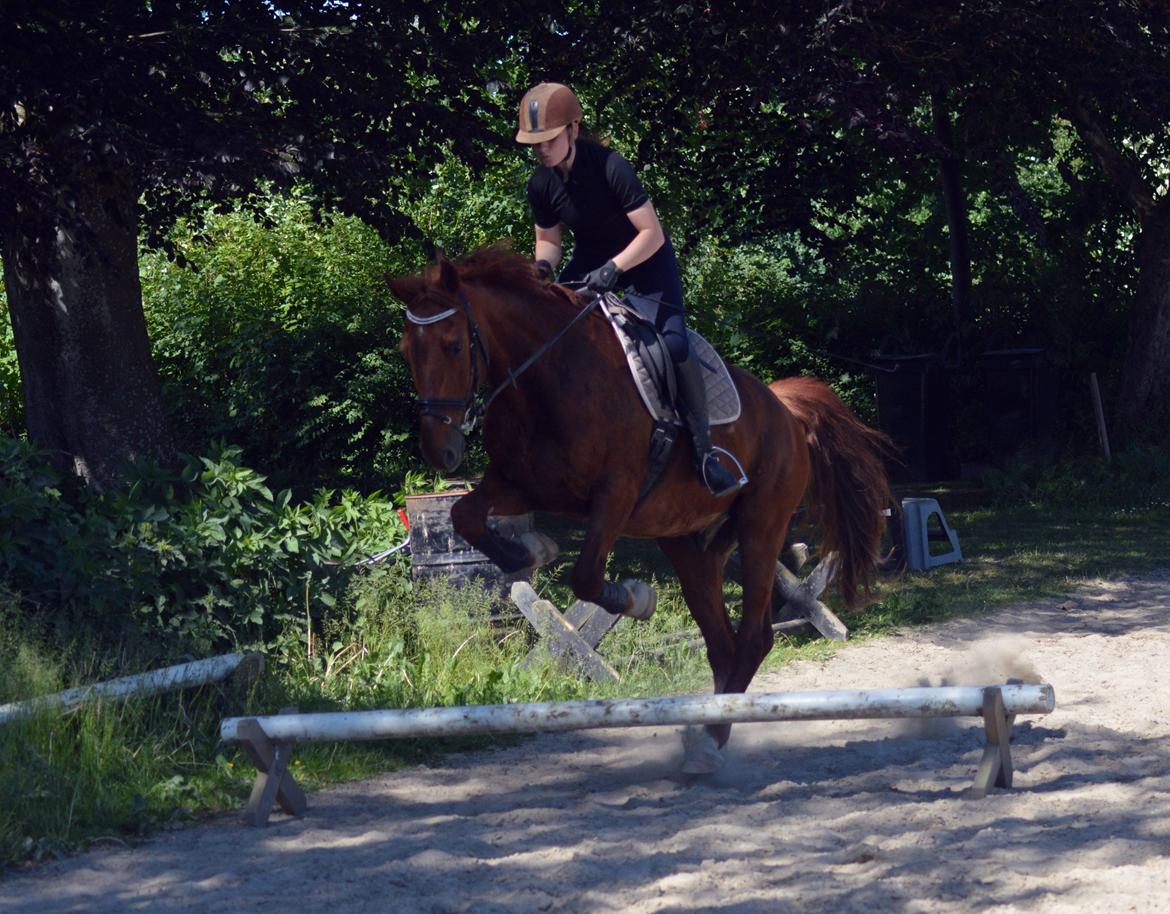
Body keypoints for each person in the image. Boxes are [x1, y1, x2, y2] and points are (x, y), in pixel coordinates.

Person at [514, 81, 745, 498]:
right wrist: (541, 270)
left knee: (673, 345)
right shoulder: (541, 183)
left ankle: (705, 454)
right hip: (592, 262)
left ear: (573, 129)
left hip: (647, 265)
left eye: (548, 139)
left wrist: (615, 267)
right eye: (535, 144)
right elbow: (549, 241)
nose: (542, 150)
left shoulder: (611, 167)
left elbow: (651, 234)